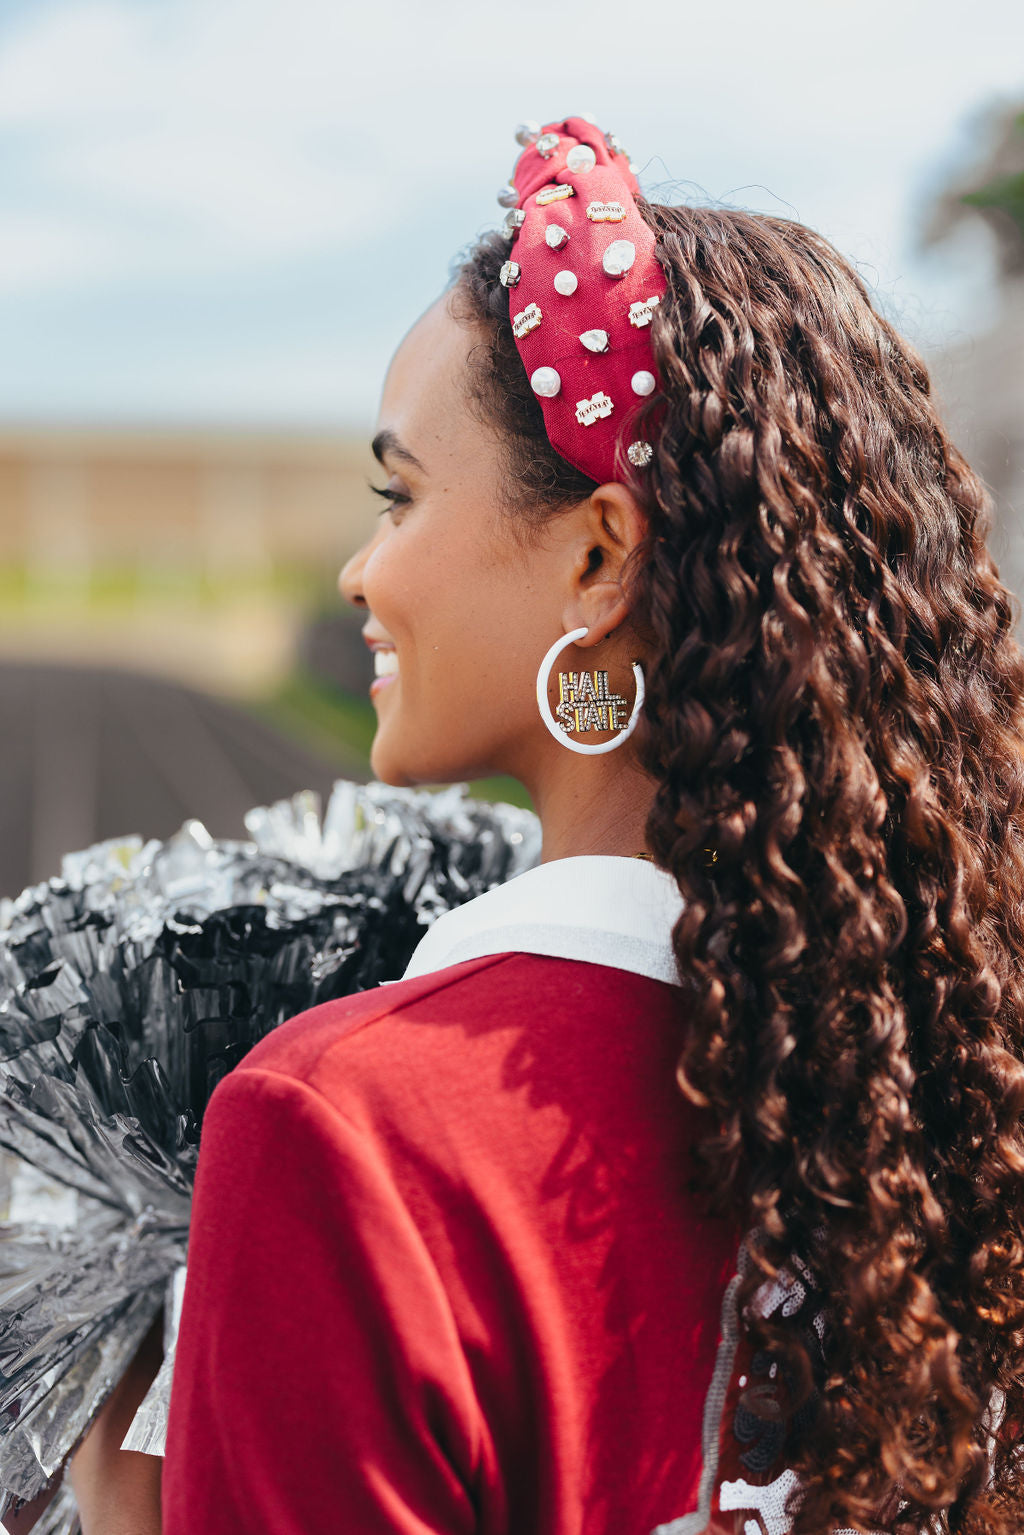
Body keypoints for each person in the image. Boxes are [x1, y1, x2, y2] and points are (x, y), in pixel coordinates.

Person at [73, 117, 1024, 1535]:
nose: (358, 569)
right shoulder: (959, 1083)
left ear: (595, 556)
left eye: (399, 495)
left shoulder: (346, 1131)